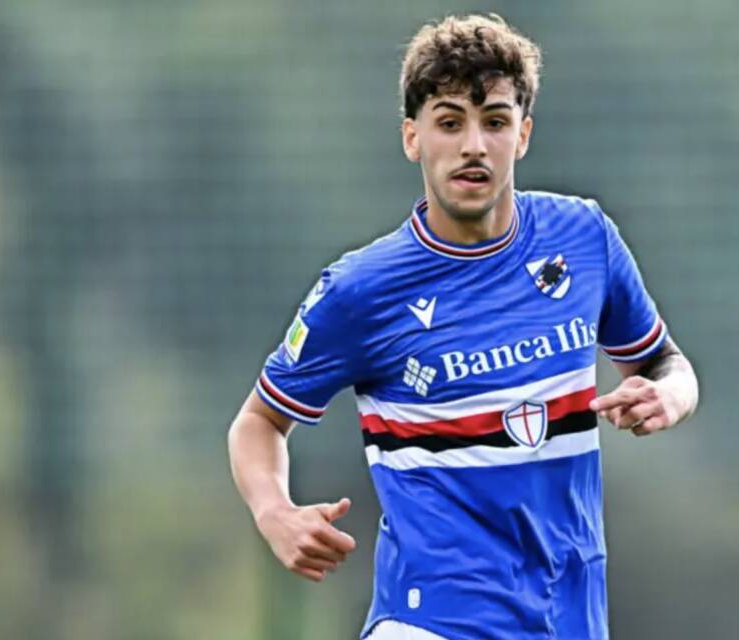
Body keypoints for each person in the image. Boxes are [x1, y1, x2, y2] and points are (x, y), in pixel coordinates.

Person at [228, 13, 699, 640]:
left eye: (494, 122)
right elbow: (258, 422)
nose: (473, 145)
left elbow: (668, 363)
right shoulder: (360, 290)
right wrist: (274, 512)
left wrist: (668, 395)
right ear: (412, 137)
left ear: (523, 134)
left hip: (569, 616)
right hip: (429, 621)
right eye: (450, 122)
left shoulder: (584, 238)